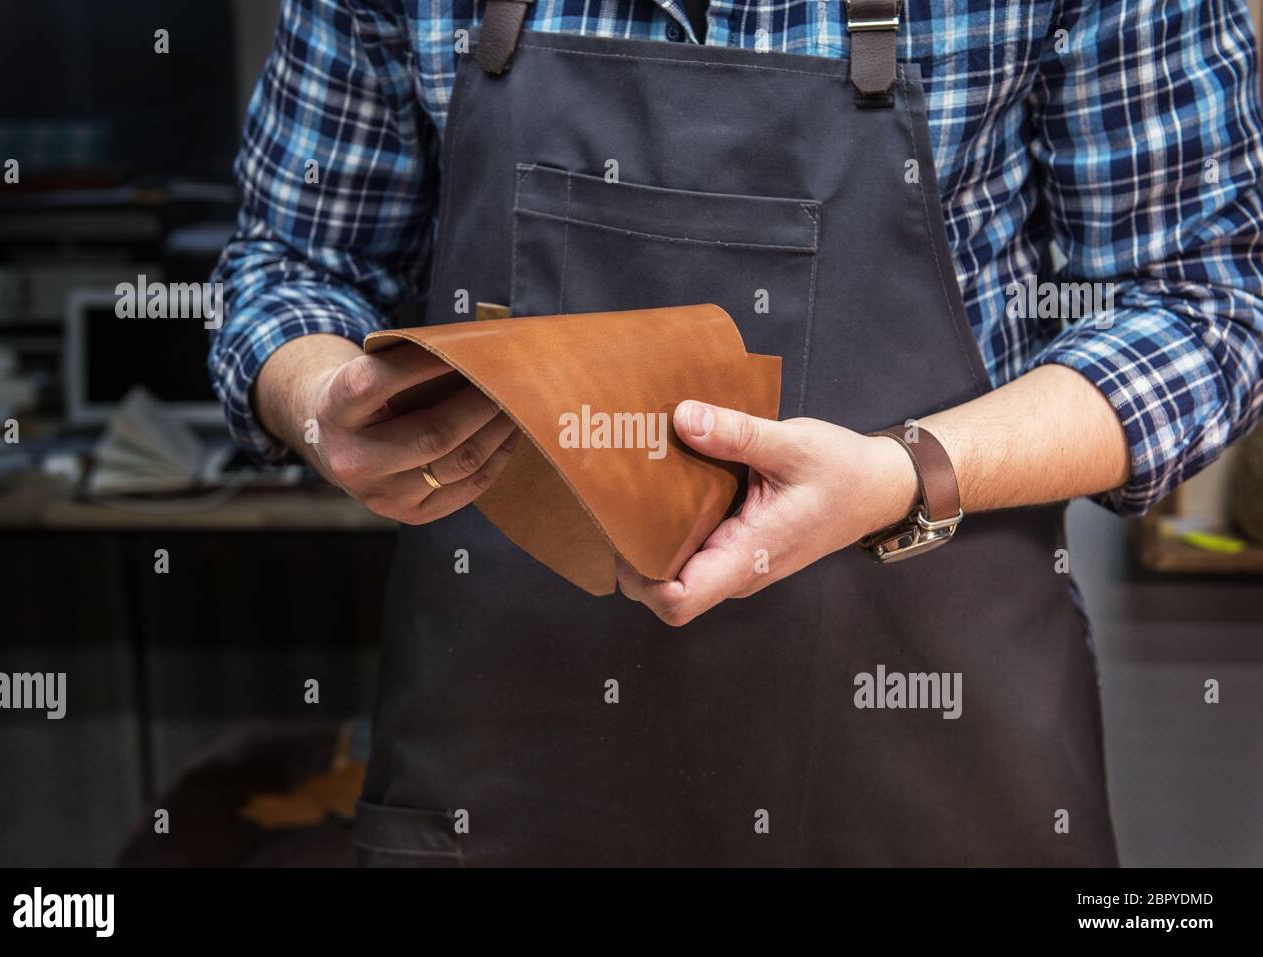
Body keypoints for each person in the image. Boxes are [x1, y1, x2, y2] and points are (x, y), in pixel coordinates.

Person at [210, 0, 1263, 865]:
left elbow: (1202, 309)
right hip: (508, 766)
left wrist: (908, 473)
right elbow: (290, 266)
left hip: (928, 762)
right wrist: (316, 397)